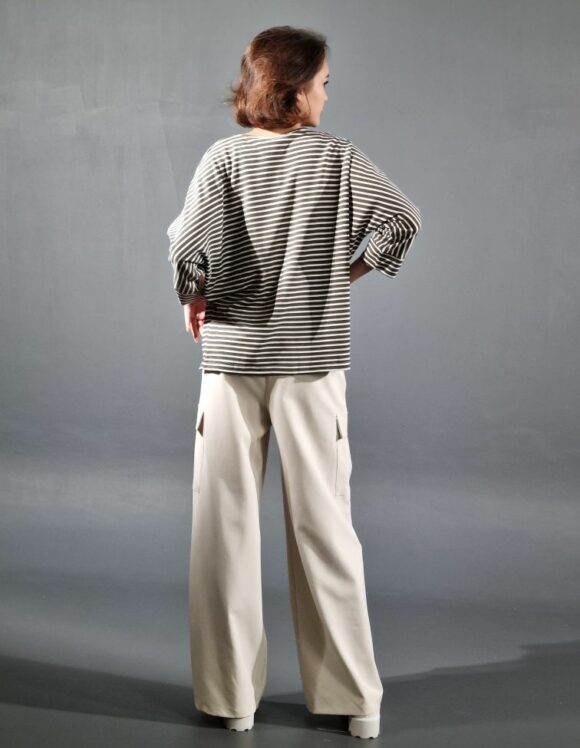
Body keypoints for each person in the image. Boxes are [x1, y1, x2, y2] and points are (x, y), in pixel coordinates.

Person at [166, 25, 422, 740]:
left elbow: (187, 247)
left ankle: (230, 701)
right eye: (323, 83)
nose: (327, 95)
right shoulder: (339, 158)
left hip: (231, 364)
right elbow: (403, 221)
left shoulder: (222, 159)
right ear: (296, 89)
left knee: (222, 530)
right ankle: (355, 700)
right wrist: (342, 277)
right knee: (325, 527)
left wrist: (194, 294)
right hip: (312, 364)